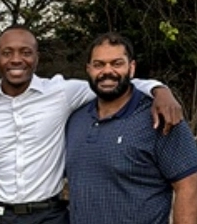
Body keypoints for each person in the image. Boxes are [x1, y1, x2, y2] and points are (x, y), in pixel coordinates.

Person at [0, 25, 183, 224]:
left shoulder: (61, 92)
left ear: (36, 58)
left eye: (25, 52)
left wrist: (160, 90)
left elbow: (111, 81)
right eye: (7, 53)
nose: (16, 59)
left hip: (49, 215)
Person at [65, 32, 197, 224]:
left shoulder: (160, 117)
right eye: (99, 64)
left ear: (132, 68)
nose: (107, 71)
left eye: (117, 63)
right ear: (88, 69)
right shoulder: (76, 120)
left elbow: (189, 186)